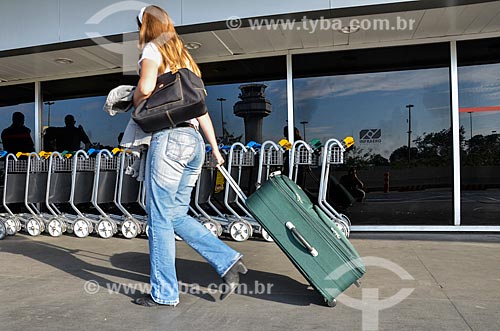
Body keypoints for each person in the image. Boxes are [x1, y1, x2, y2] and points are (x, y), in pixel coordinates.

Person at [132, 5, 246, 307]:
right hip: (193, 142)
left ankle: (165, 293)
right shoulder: (185, 59)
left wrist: (130, 96)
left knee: (158, 218)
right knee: (175, 214)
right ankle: (228, 261)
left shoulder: (152, 51)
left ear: (144, 26)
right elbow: (201, 108)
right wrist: (214, 148)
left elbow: (144, 88)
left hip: (169, 139)